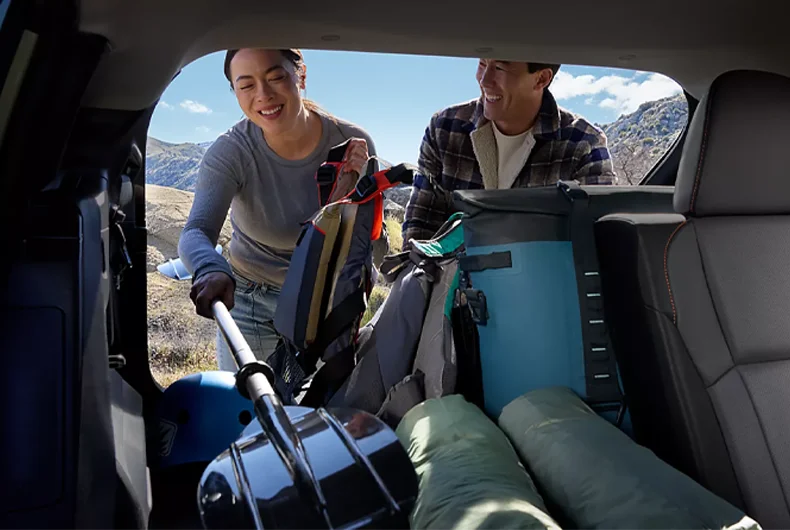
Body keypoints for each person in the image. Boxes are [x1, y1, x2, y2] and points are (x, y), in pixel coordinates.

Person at [178, 48, 377, 371]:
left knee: (317, 408)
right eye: (246, 86)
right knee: (251, 409)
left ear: (301, 75)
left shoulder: (352, 142)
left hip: (324, 300)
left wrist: (346, 192)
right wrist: (209, 267)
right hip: (251, 300)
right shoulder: (231, 152)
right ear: (234, 92)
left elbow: (363, 236)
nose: (263, 96)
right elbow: (197, 231)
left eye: (275, 78)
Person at [402, 59, 615, 246]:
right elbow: (420, 227)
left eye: (500, 68)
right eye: (482, 63)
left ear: (541, 78)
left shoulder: (584, 145)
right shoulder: (444, 128)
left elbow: (596, 248)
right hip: (451, 286)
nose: (484, 80)